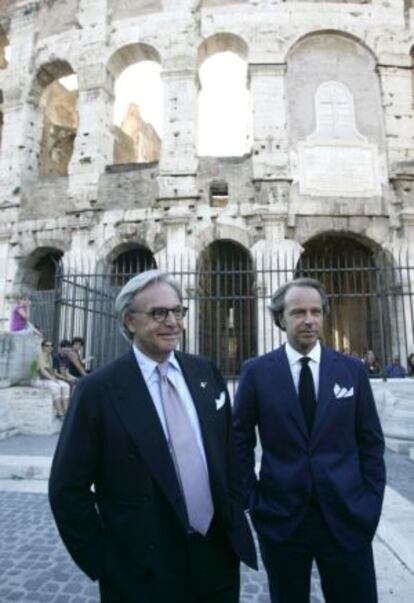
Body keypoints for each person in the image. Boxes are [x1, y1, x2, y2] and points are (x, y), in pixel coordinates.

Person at [49, 269, 257, 603]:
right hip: (141, 568)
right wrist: (104, 561)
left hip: (216, 556)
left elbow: (229, 449)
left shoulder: (205, 372)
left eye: (178, 311)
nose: (172, 321)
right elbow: (66, 489)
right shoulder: (98, 391)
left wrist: (233, 508)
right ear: (130, 321)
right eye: (159, 313)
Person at [233, 277, 386, 603]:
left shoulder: (351, 371)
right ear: (280, 318)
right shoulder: (256, 372)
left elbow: (370, 442)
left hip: (347, 516)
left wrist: (370, 502)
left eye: (316, 311)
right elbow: (239, 440)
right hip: (282, 518)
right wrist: (254, 501)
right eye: (298, 312)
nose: (309, 320)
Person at [31, 339, 71, 419]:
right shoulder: (39, 355)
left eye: (51, 346)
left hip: (47, 379)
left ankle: (66, 411)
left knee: (65, 385)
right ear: (42, 347)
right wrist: (53, 379)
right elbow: (43, 372)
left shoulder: (49, 356)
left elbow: (51, 371)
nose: (50, 347)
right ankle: (60, 413)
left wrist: (56, 378)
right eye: (47, 346)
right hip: (37, 379)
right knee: (55, 386)